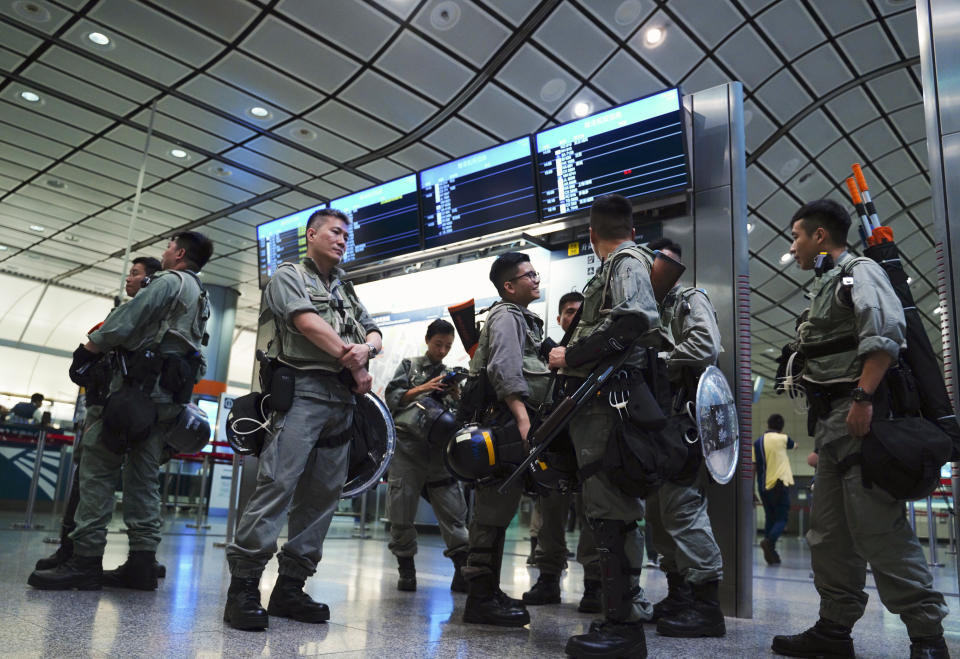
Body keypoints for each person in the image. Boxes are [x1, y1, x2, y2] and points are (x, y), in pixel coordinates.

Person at [771, 199, 949, 659]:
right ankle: (834, 630)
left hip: (861, 416)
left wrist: (864, 397)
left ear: (819, 237)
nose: (794, 246)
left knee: (877, 528)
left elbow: (885, 333)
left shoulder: (860, 272)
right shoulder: (827, 284)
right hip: (834, 424)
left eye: (797, 236)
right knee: (828, 534)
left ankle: (927, 636)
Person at [223, 209, 382, 631]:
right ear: (311, 234)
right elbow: (306, 323)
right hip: (304, 395)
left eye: (347, 234)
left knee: (323, 496)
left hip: (341, 401)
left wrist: (366, 350)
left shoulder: (344, 287)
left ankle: (290, 588)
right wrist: (352, 359)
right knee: (277, 485)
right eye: (335, 231)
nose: (343, 239)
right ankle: (242, 587)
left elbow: (372, 330)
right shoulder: (288, 276)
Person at [28, 234, 212, 591]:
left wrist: (87, 351)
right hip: (164, 401)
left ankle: (85, 561)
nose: (165, 251)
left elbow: (126, 320)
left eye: (169, 247)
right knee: (143, 481)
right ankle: (141, 564)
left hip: (134, 395)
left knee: (97, 470)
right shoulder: (201, 297)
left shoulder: (169, 282)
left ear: (181, 253)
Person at [549, 194, 667, 657]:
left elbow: (637, 319)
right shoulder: (621, 263)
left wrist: (569, 355)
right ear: (631, 228)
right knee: (606, 511)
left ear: (591, 234)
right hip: (598, 404)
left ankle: (622, 629)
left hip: (609, 403)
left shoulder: (624, 261)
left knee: (611, 510)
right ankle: (617, 618)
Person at [33, 256, 162, 573]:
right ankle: (76, 550)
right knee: (100, 482)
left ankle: (81, 555)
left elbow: (96, 353)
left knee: (95, 481)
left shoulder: (134, 319)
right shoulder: (140, 319)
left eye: (135, 274)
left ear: (150, 282)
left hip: (115, 410)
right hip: (118, 409)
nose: (128, 280)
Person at [460, 252, 551, 627]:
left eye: (535, 272)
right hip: (505, 423)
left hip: (509, 421)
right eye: (527, 275)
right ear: (509, 286)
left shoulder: (524, 319)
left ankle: (489, 591)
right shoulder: (506, 315)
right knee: (493, 507)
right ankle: (479, 599)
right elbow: (505, 370)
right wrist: (523, 419)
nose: (535, 278)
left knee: (500, 508)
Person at [642, 236, 726, 638]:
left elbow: (706, 345)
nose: (663, 270)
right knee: (659, 517)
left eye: (669, 263)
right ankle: (680, 596)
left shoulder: (689, 299)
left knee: (682, 511)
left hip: (684, 421)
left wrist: (660, 360)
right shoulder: (647, 309)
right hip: (656, 426)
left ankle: (708, 606)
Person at [522, 291, 604, 614]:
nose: (573, 316)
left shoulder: (593, 351)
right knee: (551, 512)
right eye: (568, 312)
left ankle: (595, 583)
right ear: (559, 318)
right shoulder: (546, 354)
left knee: (592, 511)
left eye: (578, 312)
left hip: (588, 439)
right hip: (556, 441)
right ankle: (548, 578)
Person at [385, 318, 468, 592]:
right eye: (438, 344)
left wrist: (456, 395)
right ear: (428, 340)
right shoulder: (410, 366)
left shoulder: (449, 373)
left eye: (447, 346)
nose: (442, 351)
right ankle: (406, 570)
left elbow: (460, 415)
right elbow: (392, 396)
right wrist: (423, 388)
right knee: (400, 512)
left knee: (453, 511)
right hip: (407, 451)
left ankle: (462, 569)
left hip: (438, 454)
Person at [753, 413, 796, 565]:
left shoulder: (757, 443)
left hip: (763, 486)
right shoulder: (783, 439)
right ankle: (769, 542)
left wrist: (752, 491)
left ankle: (772, 553)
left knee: (770, 518)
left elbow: (753, 467)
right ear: (781, 427)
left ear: (767, 424)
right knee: (782, 518)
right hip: (779, 483)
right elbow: (794, 445)